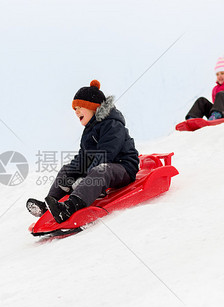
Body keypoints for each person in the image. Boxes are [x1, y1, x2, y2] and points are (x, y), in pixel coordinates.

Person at [26, 80, 140, 223]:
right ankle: (50, 204)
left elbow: (106, 154)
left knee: (100, 170)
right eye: (75, 109)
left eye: (80, 107)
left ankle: (69, 207)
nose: (76, 111)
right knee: (68, 170)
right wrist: (74, 172)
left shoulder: (112, 124)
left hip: (123, 167)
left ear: (93, 107)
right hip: (102, 168)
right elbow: (83, 157)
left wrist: (85, 178)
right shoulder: (89, 130)